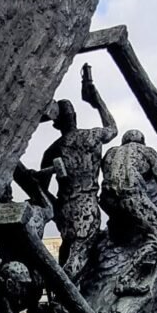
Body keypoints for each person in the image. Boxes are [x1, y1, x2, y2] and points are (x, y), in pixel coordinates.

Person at [39, 64, 117, 280]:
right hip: (86, 207)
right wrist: (96, 99)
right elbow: (112, 127)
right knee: (77, 259)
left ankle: (62, 298)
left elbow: (41, 188)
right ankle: (63, 302)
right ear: (74, 117)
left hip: (66, 209)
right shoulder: (92, 136)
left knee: (68, 254)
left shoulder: (53, 149)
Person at [100, 129, 157, 295]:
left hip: (107, 200)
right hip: (130, 196)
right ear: (142, 140)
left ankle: (117, 232)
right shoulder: (147, 151)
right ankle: (125, 280)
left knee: (122, 219)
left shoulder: (111, 153)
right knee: (156, 237)